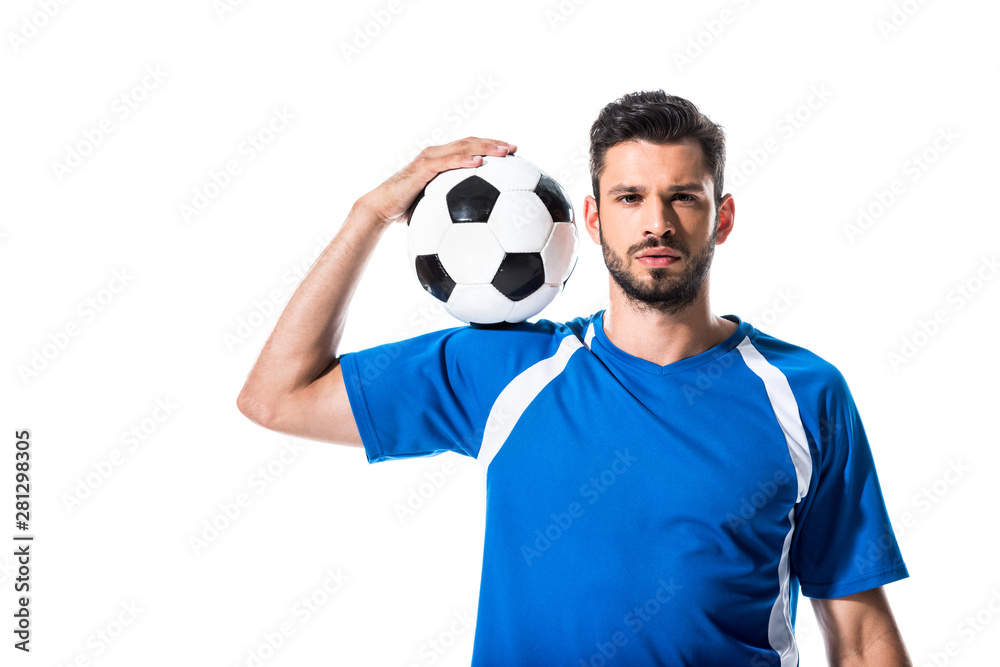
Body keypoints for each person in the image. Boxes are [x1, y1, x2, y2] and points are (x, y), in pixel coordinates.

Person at [237, 90, 912, 666]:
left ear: (722, 218)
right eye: (629, 197)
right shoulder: (505, 371)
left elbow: (859, 634)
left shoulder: (804, 392)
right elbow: (276, 396)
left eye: (683, 197)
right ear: (591, 219)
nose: (656, 222)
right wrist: (372, 213)